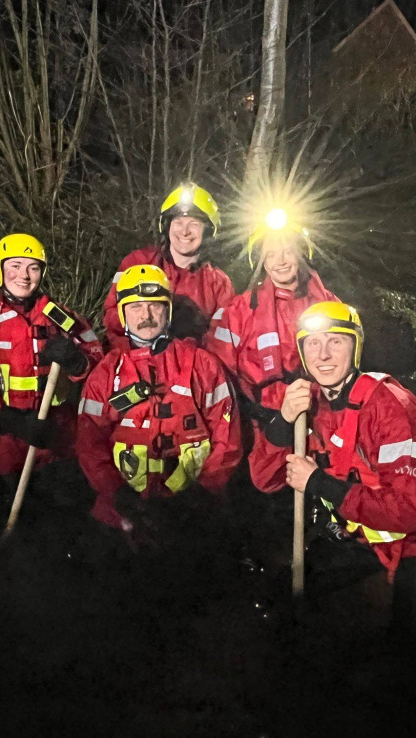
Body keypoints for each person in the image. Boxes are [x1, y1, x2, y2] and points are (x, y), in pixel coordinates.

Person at [249, 301, 416, 646]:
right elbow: (264, 480)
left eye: (335, 341)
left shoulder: (393, 408)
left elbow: (406, 512)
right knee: (284, 591)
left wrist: (318, 483)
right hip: (362, 534)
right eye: (313, 343)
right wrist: (282, 422)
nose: (323, 354)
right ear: (302, 351)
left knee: (415, 644)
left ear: (355, 347)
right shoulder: (304, 402)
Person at [78, 264, 242, 541]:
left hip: (193, 510)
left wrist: (203, 493)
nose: (146, 316)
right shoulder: (107, 373)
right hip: (123, 514)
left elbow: (228, 438)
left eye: (154, 306)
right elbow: (88, 441)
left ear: (167, 310)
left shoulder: (202, 365)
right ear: (122, 314)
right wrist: (117, 494)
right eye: (136, 307)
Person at [0, 233, 104, 493]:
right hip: (4, 450)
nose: (24, 275)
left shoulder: (56, 314)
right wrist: (6, 419)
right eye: (15, 266)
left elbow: (97, 356)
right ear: (0, 269)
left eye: (33, 267)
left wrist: (78, 362)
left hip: (57, 443)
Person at [207, 210, 338, 426]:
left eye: (288, 251)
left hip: (322, 423)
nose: (281, 261)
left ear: (301, 253)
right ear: (262, 262)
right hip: (261, 432)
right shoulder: (238, 312)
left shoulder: (330, 306)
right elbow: (218, 377)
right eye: (271, 254)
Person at [102, 182, 234, 348]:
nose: (184, 231)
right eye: (178, 222)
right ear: (166, 226)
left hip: (190, 369)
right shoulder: (137, 262)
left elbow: (222, 343)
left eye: (194, 224)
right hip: (134, 363)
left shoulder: (218, 283)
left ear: (208, 232)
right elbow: (113, 316)